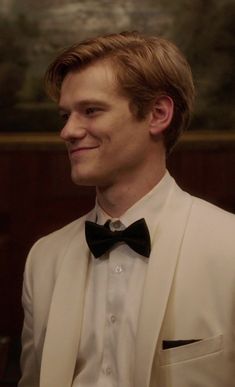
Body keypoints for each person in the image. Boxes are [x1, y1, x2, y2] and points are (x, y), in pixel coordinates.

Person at [19, 31, 235, 387]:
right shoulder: (44, 258)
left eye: (90, 110)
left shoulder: (228, 245)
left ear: (158, 114)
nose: (68, 131)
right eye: (65, 115)